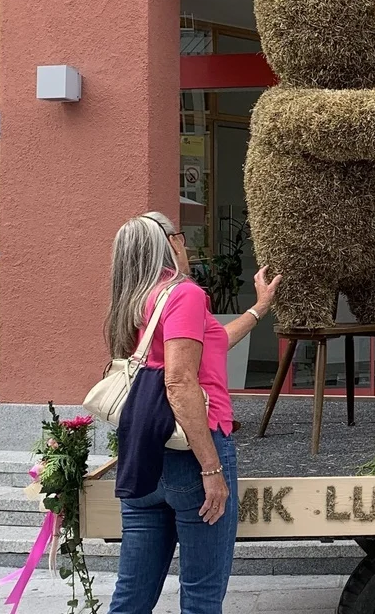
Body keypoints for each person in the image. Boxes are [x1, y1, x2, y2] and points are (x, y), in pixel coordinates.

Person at [105, 212, 280, 614]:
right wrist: (211, 468)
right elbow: (180, 382)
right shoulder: (183, 295)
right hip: (190, 452)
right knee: (201, 596)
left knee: (131, 597)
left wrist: (259, 308)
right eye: (179, 237)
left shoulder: (133, 300)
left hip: (142, 455)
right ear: (169, 243)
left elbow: (212, 342)